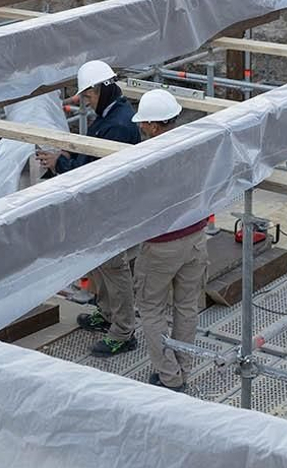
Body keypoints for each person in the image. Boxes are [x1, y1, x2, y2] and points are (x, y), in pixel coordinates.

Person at [36, 60, 141, 356]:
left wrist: (61, 163)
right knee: (98, 262)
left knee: (114, 268)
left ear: (101, 90)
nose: (86, 101)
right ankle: (106, 313)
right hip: (100, 208)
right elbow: (94, 150)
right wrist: (72, 151)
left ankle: (123, 331)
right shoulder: (111, 114)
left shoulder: (119, 124)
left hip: (112, 209)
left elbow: (96, 172)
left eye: (89, 95)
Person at [130, 89, 209, 391]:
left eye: (144, 124)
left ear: (153, 125)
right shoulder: (193, 145)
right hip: (196, 237)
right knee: (186, 306)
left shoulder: (148, 156)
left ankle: (169, 376)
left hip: (163, 244)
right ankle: (183, 370)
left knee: (151, 309)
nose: (141, 128)